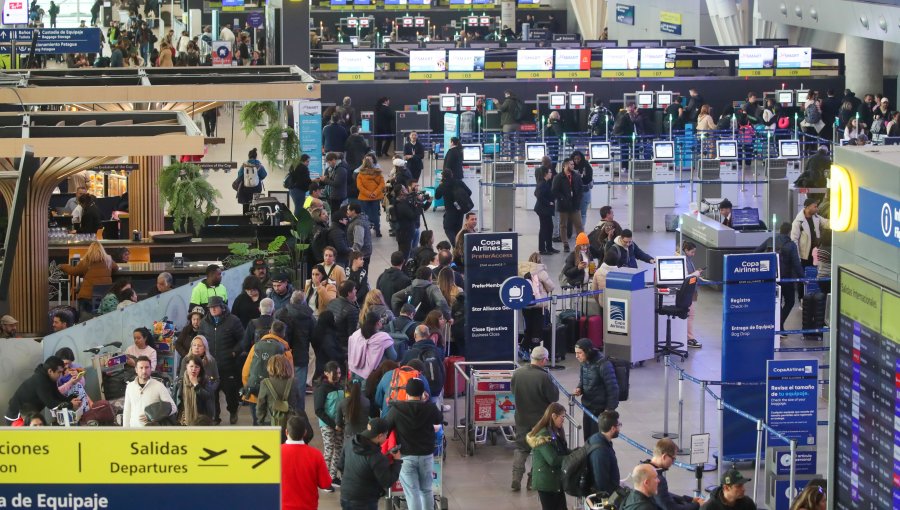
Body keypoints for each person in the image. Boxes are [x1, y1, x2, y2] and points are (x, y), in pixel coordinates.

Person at [385, 378, 443, 510]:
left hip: (406, 456)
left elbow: (386, 428)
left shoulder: (397, 410)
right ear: (422, 392)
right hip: (426, 455)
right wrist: (426, 401)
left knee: (412, 493)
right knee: (427, 490)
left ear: (406, 392)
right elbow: (439, 419)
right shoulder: (429, 407)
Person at [511, 345, 559, 491]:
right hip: (540, 421)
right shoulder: (544, 377)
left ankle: (516, 479)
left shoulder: (517, 373)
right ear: (544, 360)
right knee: (539, 450)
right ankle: (532, 481)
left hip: (521, 418)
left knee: (521, 448)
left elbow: (513, 391)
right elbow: (554, 397)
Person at [199, 295, 245, 425]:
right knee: (212, 394)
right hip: (210, 366)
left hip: (228, 365)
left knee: (231, 393)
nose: (212, 310)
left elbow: (243, 339)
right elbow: (199, 339)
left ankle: (233, 410)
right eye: (210, 308)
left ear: (222, 307)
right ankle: (215, 417)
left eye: (215, 307)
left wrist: (234, 352)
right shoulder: (204, 322)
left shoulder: (233, 321)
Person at [338, 417, 403, 508]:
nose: (386, 438)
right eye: (386, 435)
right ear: (380, 436)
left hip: (346, 495)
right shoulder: (376, 457)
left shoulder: (350, 442)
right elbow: (387, 481)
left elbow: (341, 465)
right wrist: (397, 461)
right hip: (365, 501)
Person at [242, 320, 293, 425]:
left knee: (258, 423)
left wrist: (248, 386)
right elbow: (290, 374)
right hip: (276, 398)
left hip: (255, 393)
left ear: (270, 331)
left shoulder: (256, 347)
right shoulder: (285, 350)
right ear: (283, 334)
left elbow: (246, 371)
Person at [5, 356, 80, 424]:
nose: (60, 375)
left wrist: (70, 400)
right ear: (50, 371)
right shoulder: (40, 380)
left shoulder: (49, 378)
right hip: (17, 417)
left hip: (28, 414)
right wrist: (71, 404)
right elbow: (51, 404)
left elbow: (57, 395)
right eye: (59, 372)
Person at [281, 416, 332, 510]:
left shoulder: (275, 453)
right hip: (308, 506)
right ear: (305, 433)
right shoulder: (316, 455)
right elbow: (325, 484)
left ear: (286, 432)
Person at [526, 402, 569, 510]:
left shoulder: (554, 431)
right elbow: (553, 460)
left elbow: (562, 450)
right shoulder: (543, 435)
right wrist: (572, 458)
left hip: (554, 480)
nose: (563, 420)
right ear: (554, 416)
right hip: (546, 482)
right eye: (562, 417)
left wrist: (577, 452)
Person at [574, 339, 619, 438]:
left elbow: (613, 389)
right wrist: (579, 388)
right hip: (587, 408)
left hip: (600, 411)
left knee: (599, 441)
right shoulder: (584, 362)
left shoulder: (604, 364)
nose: (577, 356)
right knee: (588, 439)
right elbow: (582, 379)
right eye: (576, 353)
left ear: (588, 351)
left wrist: (608, 410)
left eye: (579, 353)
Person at [60, 241, 118, 316]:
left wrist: (62, 266)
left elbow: (73, 271)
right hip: (104, 296)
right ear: (102, 250)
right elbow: (116, 268)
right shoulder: (108, 260)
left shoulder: (87, 261)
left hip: (87, 296)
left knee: (86, 319)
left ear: (89, 250)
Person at [275, 290, 317, 392]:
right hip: (301, 356)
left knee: (282, 388)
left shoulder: (280, 314)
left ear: (291, 300)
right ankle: (299, 408)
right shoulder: (309, 317)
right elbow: (315, 337)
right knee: (299, 389)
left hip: (282, 354)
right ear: (304, 302)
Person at [643, 438, 703, 510]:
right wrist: (697, 505)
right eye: (673, 458)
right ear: (664, 457)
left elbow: (663, 495)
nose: (673, 462)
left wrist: (688, 499)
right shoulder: (658, 479)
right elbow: (670, 508)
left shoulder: (641, 468)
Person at [122, 356, 176, 427]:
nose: (144, 371)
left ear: (151, 369)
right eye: (141, 368)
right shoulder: (130, 387)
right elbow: (127, 411)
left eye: (147, 367)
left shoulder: (159, 386)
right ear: (136, 370)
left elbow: (173, 407)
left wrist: (153, 415)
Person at [314, 361, 345, 485]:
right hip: (327, 424)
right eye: (335, 373)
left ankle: (333, 476)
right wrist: (334, 424)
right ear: (326, 373)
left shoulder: (340, 386)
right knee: (329, 449)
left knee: (338, 449)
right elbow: (318, 410)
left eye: (339, 372)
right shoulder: (322, 389)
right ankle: (324, 478)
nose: (338, 375)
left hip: (340, 424)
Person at [348, 311, 397, 382]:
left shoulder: (356, 334)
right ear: (378, 323)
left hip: (354, 371)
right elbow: (393, 356)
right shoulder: (383, 338)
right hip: (372, 376)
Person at [257, 354, 304, 427]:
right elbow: (299, 402)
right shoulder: (294, 382)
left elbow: (260, 406)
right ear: (287, 366)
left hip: (271, 422)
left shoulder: (265, 383)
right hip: (291, 423)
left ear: (270, 367)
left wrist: (260, 422)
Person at [179, 335, 219, 412]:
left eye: (200, 345)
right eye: (194, 345)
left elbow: (217, 379)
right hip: (189, 395)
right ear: (191, 347)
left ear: (205, 348)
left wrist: (210, 390)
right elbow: (181, 378)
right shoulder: (185, 359)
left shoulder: (211, 361)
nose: (196, 347)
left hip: (206, 395)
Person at [586, 410, 622, 496]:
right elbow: (601, 482)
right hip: (603, 496)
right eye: (618, 425)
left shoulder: (597, 438)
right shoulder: (601, 452)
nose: (619, 428)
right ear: (613, 429)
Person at [552, 157, 584, 253]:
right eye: (571, 164)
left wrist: (578, 200)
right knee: (563, 225)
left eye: (573, 164)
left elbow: (580, 189)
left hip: (575, 205)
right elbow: (554, 191)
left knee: (579, 225)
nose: (573, 166)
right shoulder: (558, 177)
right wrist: (562, 198)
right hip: (563, 205)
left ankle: (581, 243)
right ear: (565, 165)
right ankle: (565, 244)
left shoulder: (576, 176)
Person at [791, 198, 830, 268]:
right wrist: (797, 257)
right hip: (804, 257)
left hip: (815, 255)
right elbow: (794, 240)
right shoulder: (798, 222)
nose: (817, 208)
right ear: (808, 207)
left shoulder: (816, 217)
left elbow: (826, 223)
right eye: (815, 207)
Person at [175, 354, 212, 425]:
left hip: (200, 420)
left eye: (197, 367)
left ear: (200, 368)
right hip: (183, 420)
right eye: (191, 366)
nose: (193, 369)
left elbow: (207, 397)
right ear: (186, 366)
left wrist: (196, 384)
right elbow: (176, 402)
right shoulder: (180, 382)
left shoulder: (205, 380)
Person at [681, 242, 703, 349]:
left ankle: (688, 336)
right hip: (689, 291)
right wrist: (695, 274)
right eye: (692, 252)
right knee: (690, 315)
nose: (693, 254)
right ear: (686, 250)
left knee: (690, 315)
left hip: (692, 291)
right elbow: (685, 277)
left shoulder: (688, 259)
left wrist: (696, 272)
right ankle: (689, 338)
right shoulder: (683, 260)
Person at [356, 164, 384, 238]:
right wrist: (375, 193)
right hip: (375, 197)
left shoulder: (360, 174)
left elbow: (359, 186)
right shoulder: (378, 173)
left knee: (364, 215)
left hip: (364, 198)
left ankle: (366, 231)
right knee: (376, 215)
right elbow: (382, 184)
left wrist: (368, 194)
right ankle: (378, 231)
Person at [534, 165, 558, 254]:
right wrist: (548, 202)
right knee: (544, 228)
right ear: (545, 174)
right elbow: (538, 195)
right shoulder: (542, 184)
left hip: (546, 210)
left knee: (549, 227)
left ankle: (549, 247)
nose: (551, 174)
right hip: (542, 210)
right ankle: (542, 249)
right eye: (550, 172)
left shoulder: (546, 182)